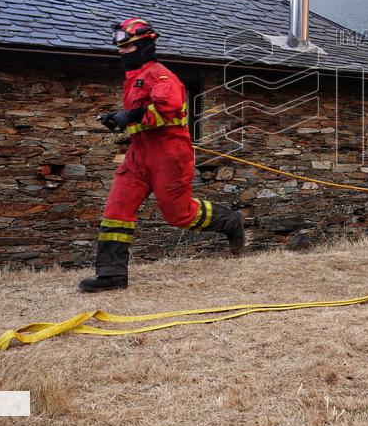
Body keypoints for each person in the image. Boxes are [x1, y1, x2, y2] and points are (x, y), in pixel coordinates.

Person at [79, 17, 245, 293]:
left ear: (144, 45)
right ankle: (111, 275)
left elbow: (167, 109)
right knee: (116, 211)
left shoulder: (161, 75)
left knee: (179, 215)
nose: (121, 51)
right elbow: (140, 115)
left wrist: (129, 116)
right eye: (119, 47)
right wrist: (117, 119)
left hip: (169, 156)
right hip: (139, 155)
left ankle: (230, 221)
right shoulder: (133, 78)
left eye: (127, 46)